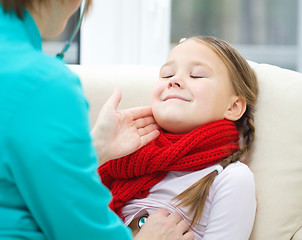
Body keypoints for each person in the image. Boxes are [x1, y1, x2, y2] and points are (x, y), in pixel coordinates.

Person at [0, 1, 194, 240]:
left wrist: (94, 149)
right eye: (167, 74)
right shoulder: (45, 84)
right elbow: (80, 229)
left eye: (196, 75)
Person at [98, 36, 258, 239]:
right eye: (167, 74)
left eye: (197, 75)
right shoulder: (122, 162)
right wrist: (98, 150)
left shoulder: (230, 179)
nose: (174, 81)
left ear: (233, 107)